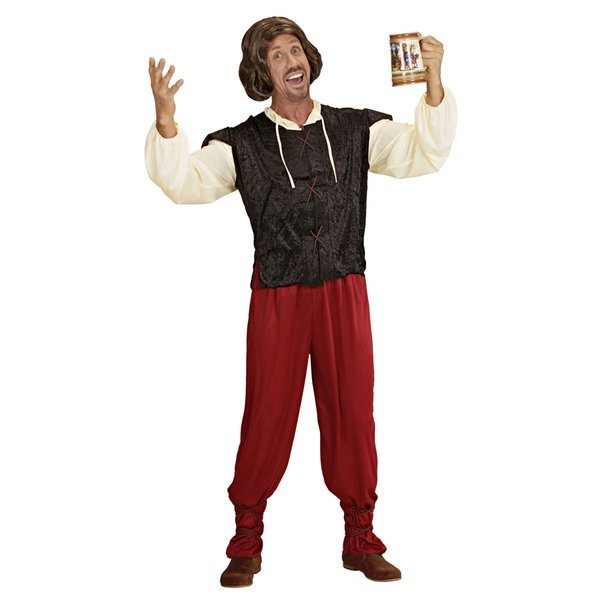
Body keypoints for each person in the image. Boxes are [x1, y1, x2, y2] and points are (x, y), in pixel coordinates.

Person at [145, 16, 457, 587]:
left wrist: (433, 85)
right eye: (276, 55)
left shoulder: (355, 128)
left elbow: (423, 152)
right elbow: (184, 183)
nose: (291, 60)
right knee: (266, 413)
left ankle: (360, 537)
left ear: (309, 59)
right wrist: (167, 125)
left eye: (295, 49)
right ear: (262, 74)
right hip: (277, 294)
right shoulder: (239, 143)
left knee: (352, 412)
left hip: (344, 288)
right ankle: (246, 538)